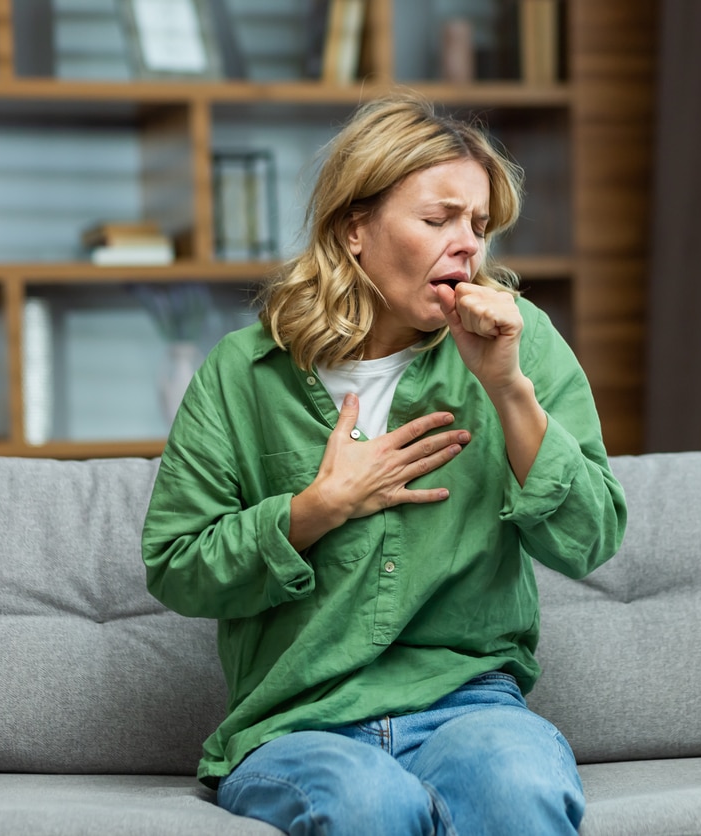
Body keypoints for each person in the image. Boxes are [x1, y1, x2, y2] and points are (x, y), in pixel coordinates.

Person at [141, 92, 628, 836]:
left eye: (478, 225)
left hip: (469, 703)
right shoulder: (242, 375)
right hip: (299, 722)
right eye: (438, 220)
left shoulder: (520, 345)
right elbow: (177, 566)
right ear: (355, 230)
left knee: (517, 789)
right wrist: (316, 509)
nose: (466, 243)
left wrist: (506, 389)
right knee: (370, 805)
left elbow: (591, 537)